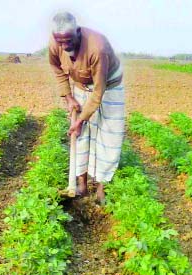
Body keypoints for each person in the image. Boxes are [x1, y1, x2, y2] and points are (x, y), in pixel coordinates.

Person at [48, 12, 125, 204]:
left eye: (68, 41)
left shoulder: (97, 48)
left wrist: (81, 119)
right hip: (80, 85)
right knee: (80, 136)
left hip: (109, 86)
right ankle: (81, 185)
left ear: (78, 32)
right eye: (60, 42)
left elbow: (98, 93)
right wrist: (69, 97)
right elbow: (58, 70)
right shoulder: (55, 44)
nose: (64, 46)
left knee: (108, 136)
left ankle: (101, 187)